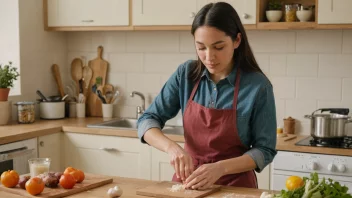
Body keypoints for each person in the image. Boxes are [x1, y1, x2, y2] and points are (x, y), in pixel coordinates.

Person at [137, 2, 277, 190]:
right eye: (201, 47)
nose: (209, 57)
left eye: (218, 47)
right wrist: (172, 148)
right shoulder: (185, 74)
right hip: (188, 184)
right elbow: (148, 120)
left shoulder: (258, 86)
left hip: (236, 187)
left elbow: (265, 150)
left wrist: (221, 168)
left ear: (237, 40)